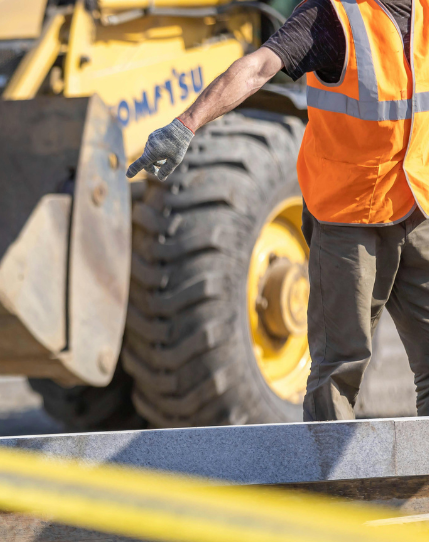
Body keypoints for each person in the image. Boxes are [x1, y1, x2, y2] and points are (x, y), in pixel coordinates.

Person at [127, 0, 429, 423]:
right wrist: (186, 124)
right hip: (350, 216)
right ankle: (326, 485)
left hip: (417, 206)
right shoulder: (333, 17)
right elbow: (258, 67)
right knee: (340, 369)